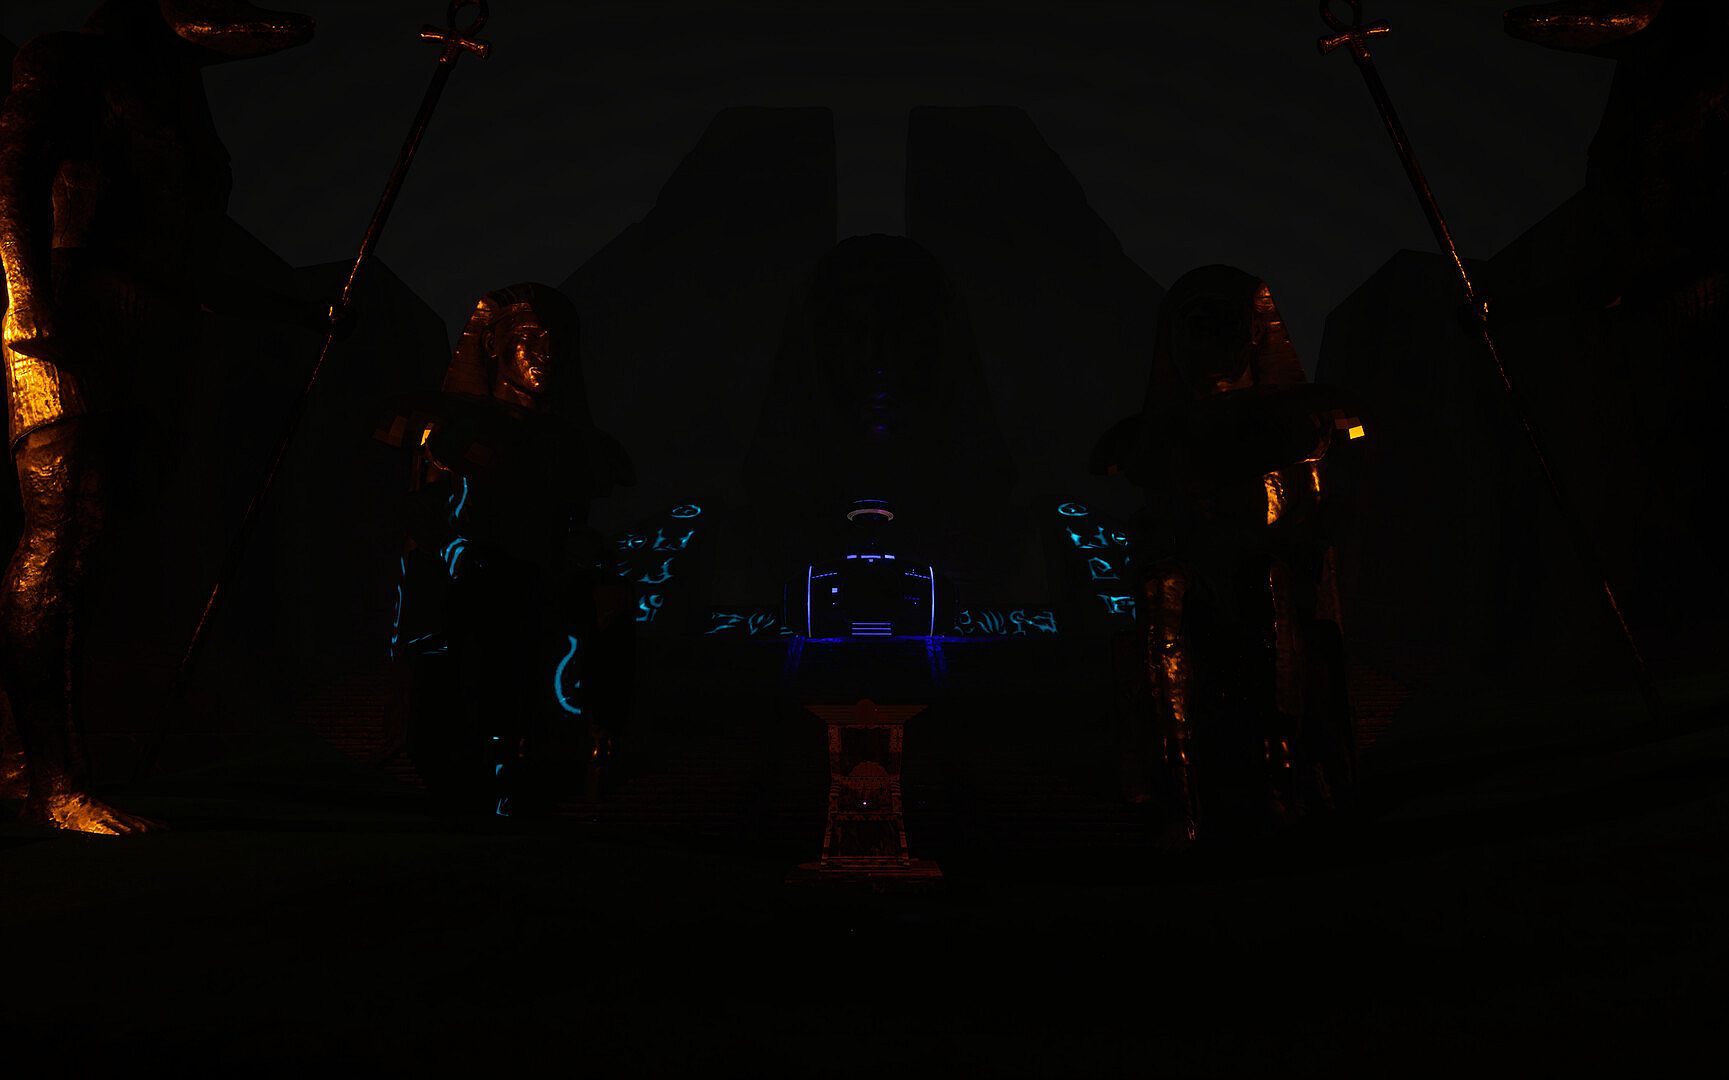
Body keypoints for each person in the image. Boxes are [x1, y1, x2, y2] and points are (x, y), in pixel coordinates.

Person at [0, 0, 314, 834]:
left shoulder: (177, 96)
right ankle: (52, 782)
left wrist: (297, 312)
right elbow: (15, 177)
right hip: (74, 315)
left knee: (104, 546)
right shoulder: (69, 58)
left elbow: (182, 251)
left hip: (153, 327)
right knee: (61, 538)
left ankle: (31, 757)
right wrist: (27, 306)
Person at [1094, 265, 1364, 845]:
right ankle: (1179, 779)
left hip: (1265, 563)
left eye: (1221, 326)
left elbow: (1317, 496)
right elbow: (1145, 503)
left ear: (1250, 333)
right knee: (1160, 595)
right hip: (1194, 569)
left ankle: (1279, 767)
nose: (1208, 342)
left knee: (1269, 587)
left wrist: (1302, 535)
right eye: (1195, 327)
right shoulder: (1153, 434)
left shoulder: (1296, 419)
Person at [379, 283, 634, 816]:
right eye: (530, 336)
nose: (547, 351)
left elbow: (577, 520)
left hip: (545, 588)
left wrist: (585, 552)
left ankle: (581, 742)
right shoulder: (450, 425)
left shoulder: (575, 444)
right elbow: (423, 509)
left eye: (556, 339)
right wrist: (455, 549)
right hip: (476, 587)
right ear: (494, 344)